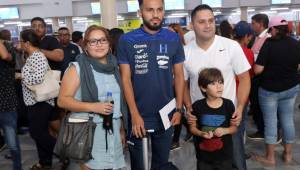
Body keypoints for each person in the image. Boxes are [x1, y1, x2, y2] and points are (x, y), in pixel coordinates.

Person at [117, 0, 185, 169]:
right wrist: (134, 115)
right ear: (140, 12)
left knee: (161, 164)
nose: (155, 15)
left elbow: (179, 75)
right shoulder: (127, 40)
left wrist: (178, 108)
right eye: (150, 10)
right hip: (138, 113)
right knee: (138, 164)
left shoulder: (173, 38)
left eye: (159, 10)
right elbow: (125, 79)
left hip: (166, 113)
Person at [184, 4, 250, 170]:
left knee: (235, 160)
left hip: (229, 116)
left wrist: (240, 108)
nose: (208, 25)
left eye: (211, 20)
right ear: (192, 25)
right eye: (202, 22)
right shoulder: (185, 52)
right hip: (201, 118)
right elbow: (182, 83)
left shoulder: (231, 46)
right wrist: (188, 109)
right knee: (205, 161)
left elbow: (244, 78)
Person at [58, 25, 127, 170]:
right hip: (90, 133)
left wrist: (121, 129)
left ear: (109, 44)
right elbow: (62, 100)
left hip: (113, 130)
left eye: (103, 40)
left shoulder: (116, 68)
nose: (99, 44)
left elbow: (119, 103)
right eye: (93, 41)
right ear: (86, 46)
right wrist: (93, 106)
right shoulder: (76, 68)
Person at [253, 16, 300, 165]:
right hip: (291, 88)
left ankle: (270, 157)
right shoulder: (295, 43)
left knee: (271, 122)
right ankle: (288, 155)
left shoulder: (269, 44)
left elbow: (257, 69)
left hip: (269, 90)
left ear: (273, 29)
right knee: (287, 120)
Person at [20, 29, 56, 170]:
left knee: (37, 132)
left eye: (22, 41)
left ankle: (61, 152)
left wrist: (21, 76)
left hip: (41, 101)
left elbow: (38, 78)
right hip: (33, 101)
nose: (20, 44)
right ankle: (44, 162)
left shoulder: (37, 56)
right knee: (40, 133)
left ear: (27, 43)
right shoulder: (30, 56)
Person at [190, 68, 237, 170]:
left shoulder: (228, 105)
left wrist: (225, 130)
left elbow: (234, 128)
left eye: (220, 82)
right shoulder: (197, 106)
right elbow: (192, 128)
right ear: (203, 88)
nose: (219, 86)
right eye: (213, 83)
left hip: (225, 157)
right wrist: (201, 133)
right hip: (204, 157)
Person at [31, 17, 64, 137]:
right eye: (34, 26)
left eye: (40, 26)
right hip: (36, 86)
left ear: (45, 28)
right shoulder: (30, 42)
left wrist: (37, 50)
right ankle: (55, 145)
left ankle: (65, 143)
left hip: (50, 85)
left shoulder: (50, 40)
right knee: (44, 120)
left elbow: (59, 56)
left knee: (53, 118)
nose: (37, 28)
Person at [168, 23, 191, 150]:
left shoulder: (183, 49)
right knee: (176, 111)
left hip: (179, 84)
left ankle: (175, 140)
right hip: (169, 85)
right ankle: (189, 128)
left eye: (171, 33)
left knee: (178, 110)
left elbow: (182, 74)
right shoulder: (166, 47)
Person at [0, 39, 22, 170]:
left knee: (12, 143)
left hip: (6, 105)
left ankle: (17, 167)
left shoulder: (7, 48)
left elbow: (5, 56)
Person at [247, 14, 270, 140]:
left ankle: (263, 130)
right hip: (254, 75)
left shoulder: (267, 38)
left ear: (260, 24)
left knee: (259, 104)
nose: (252, 26)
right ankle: (261, 129)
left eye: (253, 23)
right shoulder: (257, 38)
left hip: (261, 77)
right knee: (255, 104)